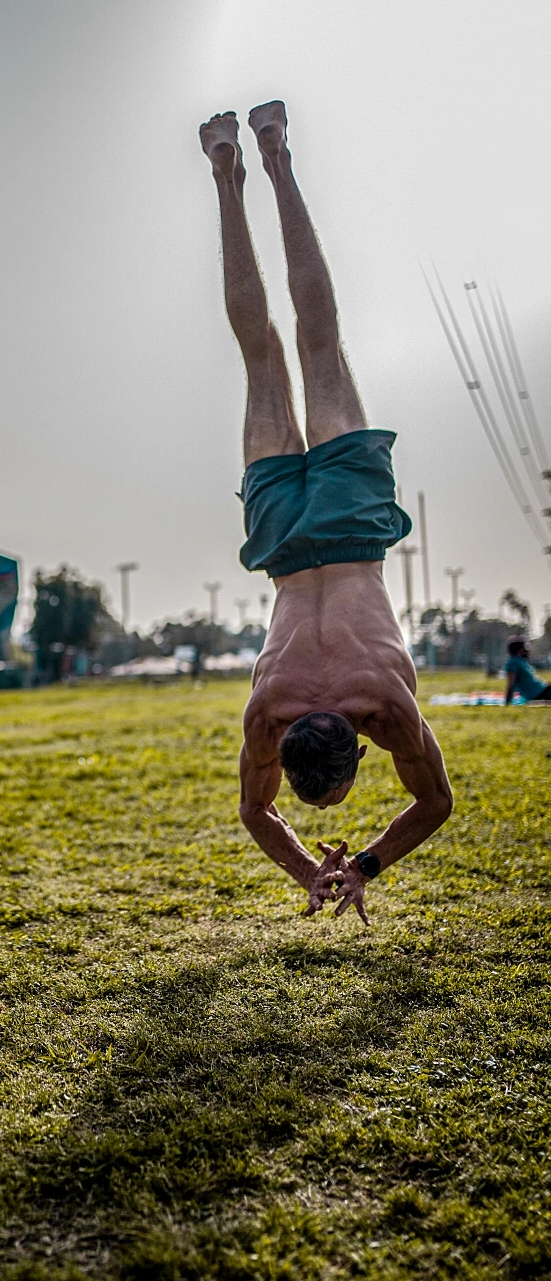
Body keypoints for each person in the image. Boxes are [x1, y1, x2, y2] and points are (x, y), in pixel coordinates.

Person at [199, 101, 453, 924]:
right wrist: (328, 868)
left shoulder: (384, 703)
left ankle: (274, 158)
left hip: (346, 530)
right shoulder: (266, 711)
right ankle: (234, 171)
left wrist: (357, 866)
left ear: (353, 748)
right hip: (279, 540)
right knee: (269, 352)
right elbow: (255, 812)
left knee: (315, 337)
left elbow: (435, 802)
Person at [504, 637, 551, 704]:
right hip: (539, 694)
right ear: (520, 650)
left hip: (543, 690)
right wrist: (507, 702)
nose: (528, 650)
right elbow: (511, 685)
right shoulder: (513, 663)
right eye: (525, 647)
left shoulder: (520, 661)